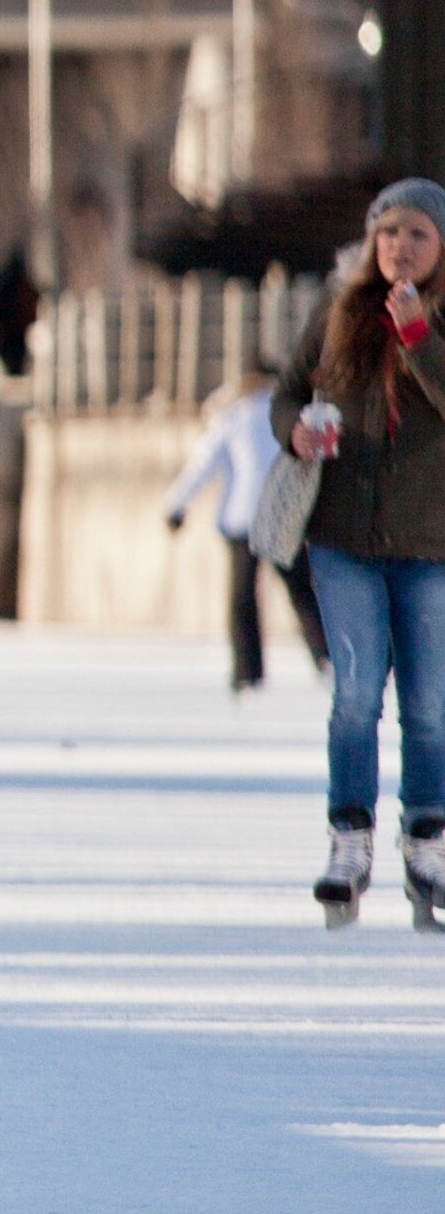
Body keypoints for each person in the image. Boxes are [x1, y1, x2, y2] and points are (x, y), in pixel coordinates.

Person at [271, 177, 445, 931]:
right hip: (342, 539)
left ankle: (428, 841)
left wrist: (419, 340)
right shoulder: (339, 310)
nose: (401, 248)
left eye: (418, 235)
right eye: (389, 234)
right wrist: (295, 431)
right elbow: (284, 393)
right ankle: (350, 838)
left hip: (431, 542)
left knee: (431, 707)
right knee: (355, 694)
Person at [163, 379, 324, 693]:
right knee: (303, 593)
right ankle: (326, 656)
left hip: (242, 520)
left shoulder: (234, 416)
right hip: (281, 518)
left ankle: (247, 671)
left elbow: (203, 464)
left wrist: (177, 505)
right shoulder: (290, 415)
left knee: (243, 600)